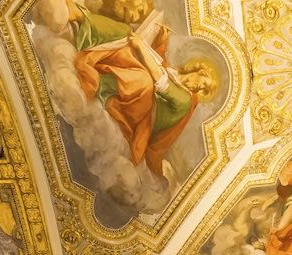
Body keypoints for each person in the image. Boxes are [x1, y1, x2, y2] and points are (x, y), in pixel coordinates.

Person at [68, 4, 218, 177]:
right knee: (125, 34)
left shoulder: (184, 100)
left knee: (144, 80)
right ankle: (80, 17)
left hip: (140, 114)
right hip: (133, 86)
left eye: (203, 89)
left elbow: (158, 79)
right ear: (198, 70)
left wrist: (140, 46)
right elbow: (160, 64)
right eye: (202, 81)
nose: (199, 86)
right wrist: (161, 38)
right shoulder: (174, 73)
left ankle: (100, 85)